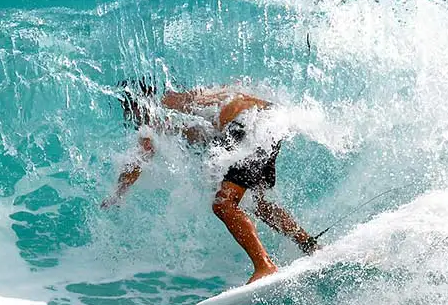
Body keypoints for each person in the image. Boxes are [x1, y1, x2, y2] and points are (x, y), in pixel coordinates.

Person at [102, 79, 317, 283]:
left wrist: (117, 194)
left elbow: (142, 154)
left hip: (248, 124)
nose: (131, 116)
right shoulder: (185, 98)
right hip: (270, 119)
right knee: (256, 202)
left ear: (139, 101)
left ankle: (264, 266)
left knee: (224, 204)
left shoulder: (157, 108)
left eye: (129, 108)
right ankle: (309, 245)